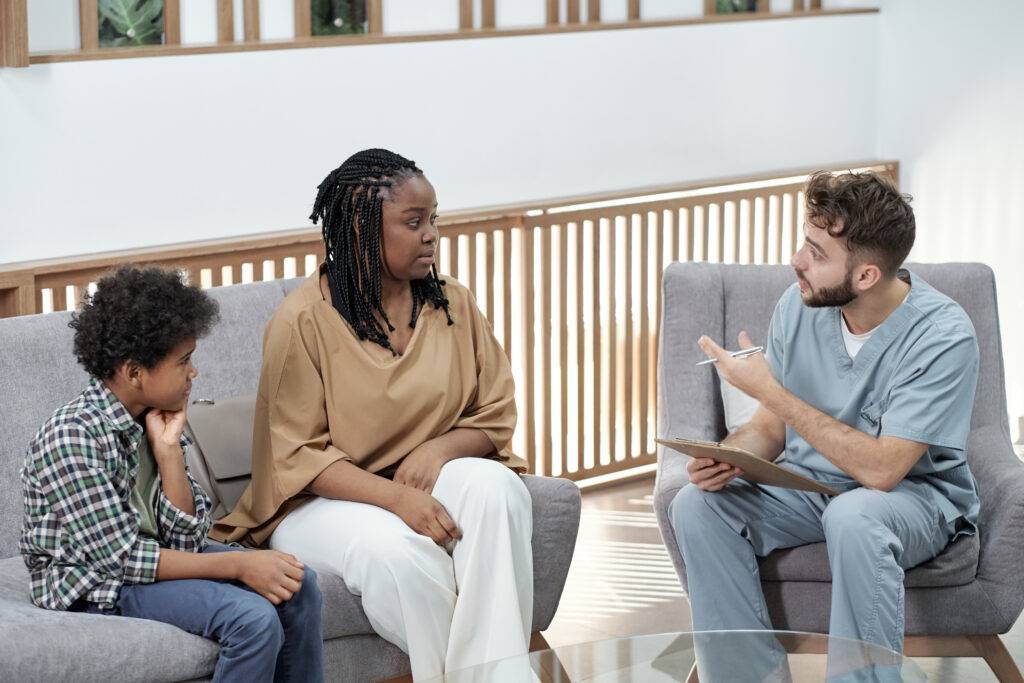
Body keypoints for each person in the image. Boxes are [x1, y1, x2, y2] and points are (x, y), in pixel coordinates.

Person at [211, 149, 534, 681]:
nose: (431, 234)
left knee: (501, 492)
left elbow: (494, 412)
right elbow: (299, 458)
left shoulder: (451, 303)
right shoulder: (302, 323)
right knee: (402, 555)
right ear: (361, 231)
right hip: (315, 502)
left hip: (424, 475)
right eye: (413, 222)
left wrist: (440, 448)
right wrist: (396, 499)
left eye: (434, 218)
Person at [670, 171, 980, 676]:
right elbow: (770, 429)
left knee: (854, 516)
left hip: (911, 498)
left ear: (865, 276)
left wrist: (767, 388)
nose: (797, 261)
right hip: (808, 487)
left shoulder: (943, 335)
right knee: (698, 506)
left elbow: (882, 473)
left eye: (816, 253)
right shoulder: (798, 304)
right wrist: (730, 457)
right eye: (803, 243)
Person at [21, 265, 324, 683]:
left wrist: (168, 454)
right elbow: (125, 559)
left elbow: (184, 539)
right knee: (252, 619)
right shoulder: (71, 437)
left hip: (148, 562)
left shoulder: (155, 418)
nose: (193, 372)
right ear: (133, 373)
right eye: (183, 361)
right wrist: (239, 567)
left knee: (299, 584)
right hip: (95, 585)